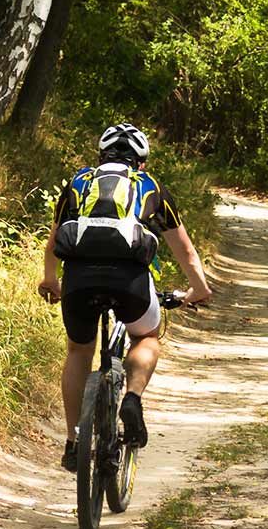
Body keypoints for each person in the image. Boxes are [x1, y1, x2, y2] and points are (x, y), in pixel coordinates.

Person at [39, 123, 214, 468]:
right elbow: (187, 253)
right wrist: (199, 290)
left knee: (78, 350)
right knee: (147, 336)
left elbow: (54, 241)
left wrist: (50, 281)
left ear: (100, 157)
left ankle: (74, 441)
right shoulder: (151, 187)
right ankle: (131, 397)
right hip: (129, 281)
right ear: (142, 163)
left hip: (78, 280)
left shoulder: (79, 182)